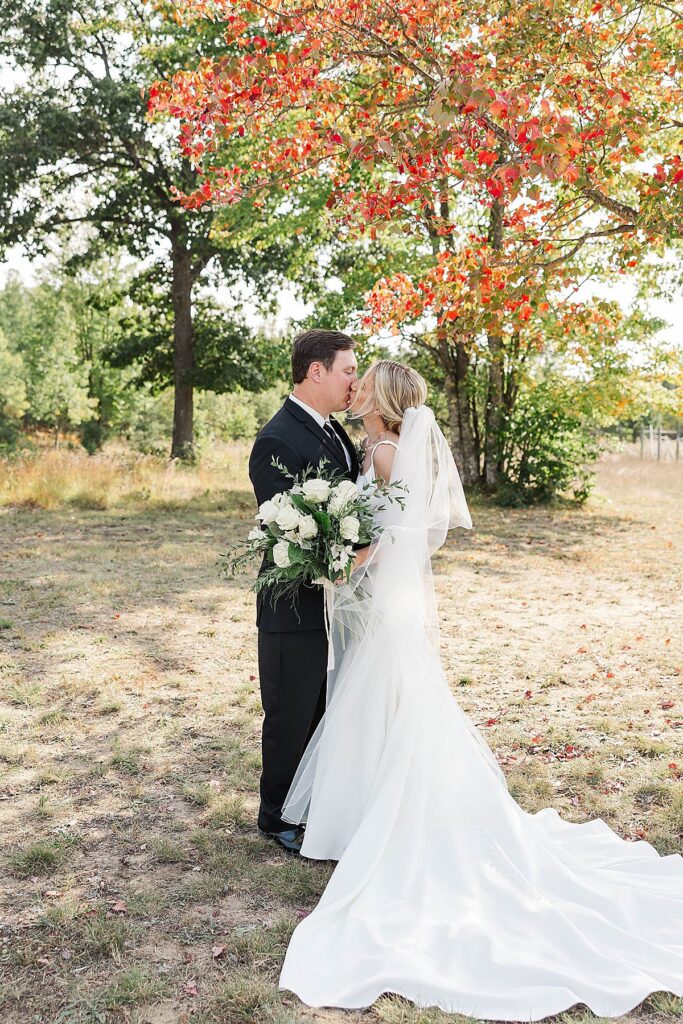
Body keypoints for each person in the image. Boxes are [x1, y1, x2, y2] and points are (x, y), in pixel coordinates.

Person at [278, 359, 683, 1021]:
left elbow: (389, 532)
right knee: (386, 703)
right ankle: (363, 813)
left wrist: (336, 563)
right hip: (384, 602)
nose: (354, 393)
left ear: (380, 400)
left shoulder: (381, 451)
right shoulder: (381, 447)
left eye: (362, 385)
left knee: (386, 702)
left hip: (383, 601)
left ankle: (372, 819)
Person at [248, 328, 359, 855]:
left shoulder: (335, 431)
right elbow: (286, 526)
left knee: (322, 707)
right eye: (348, 370)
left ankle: (313, 802)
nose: (353, 381)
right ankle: (276, 818)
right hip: (293, 604)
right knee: (290, 710)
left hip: (338, 600)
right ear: (316, 371)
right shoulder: (277, 438)